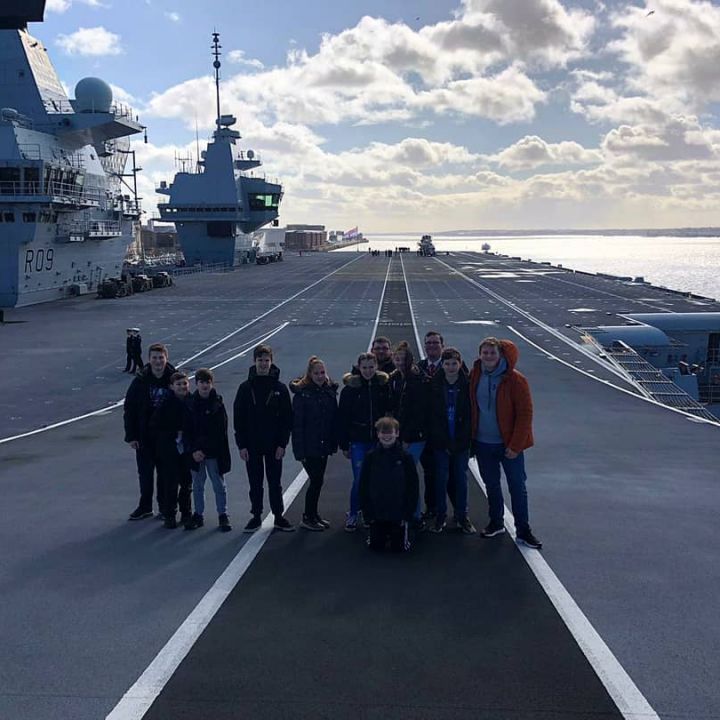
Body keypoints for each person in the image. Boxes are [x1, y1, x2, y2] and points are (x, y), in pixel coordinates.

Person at [469, 337, 542, 549]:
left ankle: (523, 529)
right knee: (491, 485)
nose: (488, 357)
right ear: (480, 354)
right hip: (483, 443)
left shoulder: (516, 380)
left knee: (517, 487)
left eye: (492, 353)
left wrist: (516, 445)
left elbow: (525, 414)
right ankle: (496, 522)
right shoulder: (475, 375)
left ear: (500, 355)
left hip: (508, 445)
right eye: (485, 353)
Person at [233, 344, 294, 533]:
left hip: (274, 444)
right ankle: (256, 515)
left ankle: (278, 515)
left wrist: (282, 444)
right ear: (254, 361)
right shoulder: (245, 388)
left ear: (271, 362)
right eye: (260, 360)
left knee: (275, 482)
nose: (263, 364)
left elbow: (287, 418)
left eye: (266, 360)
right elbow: (238, 418)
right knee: (255, 482)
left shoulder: (280, 388)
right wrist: (241, 445)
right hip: (252, 444)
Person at [338, 351, 392, 532]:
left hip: (378, 441)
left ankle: (373, 512)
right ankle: (354, 512)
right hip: (358, 440)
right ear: (358, 368)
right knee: (360, 478)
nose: (368, 371)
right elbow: (343, 417)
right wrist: (344, 444)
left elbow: (388, 411)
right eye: (364, 368)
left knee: (377, 478)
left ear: (376, 367)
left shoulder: (383, 386)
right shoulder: (350, 389)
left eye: (371, 367)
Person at [123, 343, 176, 520]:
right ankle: (145, 506)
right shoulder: (140, 381)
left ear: (166, 358)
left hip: (166, 435)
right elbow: (129, 409)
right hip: (145, 435)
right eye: (154, 357)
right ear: (149, 359)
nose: (158, 361)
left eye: (161, 357)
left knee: (165, 473)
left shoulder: (174, 379)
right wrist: (131, 436)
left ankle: (164, 506)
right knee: (145, 474)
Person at [427, 347, 475, 534]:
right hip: (442, 442)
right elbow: (432, 416)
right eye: (447, 364)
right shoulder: (435, 384)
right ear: (443, 365)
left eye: (454, 363)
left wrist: (464, 440)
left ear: (460, 364)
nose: (451, 367)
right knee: (441, 479)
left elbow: (471, 415)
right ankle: (441, 515)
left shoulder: (468, 384)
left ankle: (462, 515)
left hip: (461, 441)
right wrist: (442, 441)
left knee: (461, 480)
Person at [290, 356, 338, 531]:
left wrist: (333, 442)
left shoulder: (328, 392)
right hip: (309, 447)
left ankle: (313, 514)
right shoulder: (302, 395)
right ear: (309, 374)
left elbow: (333, 419)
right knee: (316, 480)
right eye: (316, 373)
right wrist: (299, 451)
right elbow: (297, 426)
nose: (320, 376)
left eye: (323, 372)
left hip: (323, 445)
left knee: (318, 481)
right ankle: (307, 516)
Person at [359, 416, 419, 552]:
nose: (387, 436)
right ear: (378, 434)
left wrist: (407, 514)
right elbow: (363, 486)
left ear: (397, 433)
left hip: (398, 513)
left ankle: (402, 531)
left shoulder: (406, 458)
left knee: (398, 549)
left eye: (390, 433)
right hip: (377, 513)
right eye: (383, 433)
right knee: (376, 547)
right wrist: (368, 514)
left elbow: (413, 487)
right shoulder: (370, 457)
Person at [186, 368, 232, 532]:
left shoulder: (217, 404)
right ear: (196, 383)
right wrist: (194, 450)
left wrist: (202, 450)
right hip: (196, 452)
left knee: (218, 484)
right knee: (197, 484)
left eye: (207, 382)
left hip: (212, 452)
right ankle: (198, 514)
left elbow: (220, 431)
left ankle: (223, 514)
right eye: (201, 382)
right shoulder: (190, 403)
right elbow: (188, 429)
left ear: (212, 384)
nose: (205, 385)